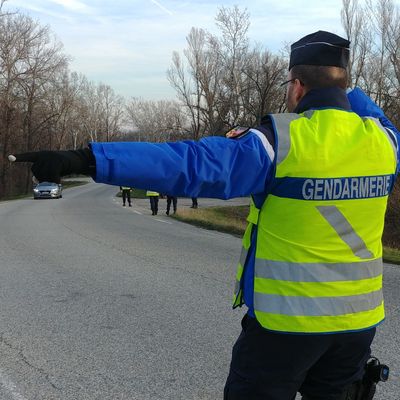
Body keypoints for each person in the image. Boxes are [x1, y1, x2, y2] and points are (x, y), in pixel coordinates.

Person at [8, 30, 399, 400]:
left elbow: (190, 165)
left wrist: (84, 158)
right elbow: (374, 114)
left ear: (296, 87)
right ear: (343, 83)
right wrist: (344, 90)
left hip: (287, 326)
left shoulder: (280, 142)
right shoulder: (384, 142)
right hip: (357, 326)